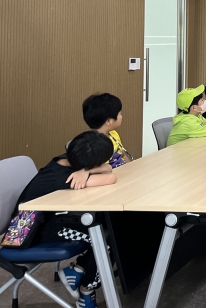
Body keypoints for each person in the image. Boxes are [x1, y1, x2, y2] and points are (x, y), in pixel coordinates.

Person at [12, 131, 116, 308]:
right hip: (27, 233)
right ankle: (86, 290)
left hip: (44, 219)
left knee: (107, 227)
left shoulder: (64, 160)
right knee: (106, 240)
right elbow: (110, 176)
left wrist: (85, 170)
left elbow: (107, 168)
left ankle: (77, 270)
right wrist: (86, 171)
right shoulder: (65, 178)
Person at [82, 93, 132, 168]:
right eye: (120, 114)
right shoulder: (94, 146)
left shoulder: (113, 134)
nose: (121, 117)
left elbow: (123, 154)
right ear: (108, 121)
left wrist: (130, 167)